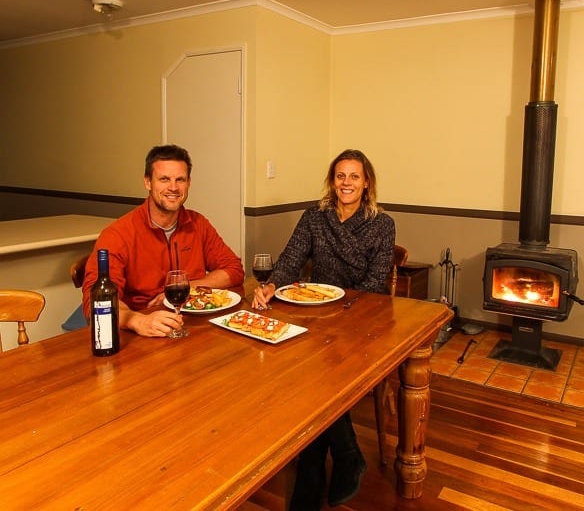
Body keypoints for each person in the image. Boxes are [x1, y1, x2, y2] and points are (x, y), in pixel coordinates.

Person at [253, 148, 395, 510]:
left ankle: (313, 476)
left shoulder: (382, 223)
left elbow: (377, 284)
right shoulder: (314, 218)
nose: (347, 183)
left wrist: (346, 313)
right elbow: (290, 260)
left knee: (319, 375)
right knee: (302, 366)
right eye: (340, 176)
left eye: (355, 176)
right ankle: (345, 455)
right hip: (314, 315)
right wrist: (271, 286)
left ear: (367, 184)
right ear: (332, 181)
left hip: (360, 319)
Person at [82, 144, 245, 337]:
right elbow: (96, 299)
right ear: (147, 182)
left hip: (192, 326)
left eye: (180, 180)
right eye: (164, 179)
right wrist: (136, 320)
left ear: (189, 183)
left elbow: (234, 270)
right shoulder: (118, 234)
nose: (173, 187)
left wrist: (185, 288)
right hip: (139, 333)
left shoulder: (198, 223)